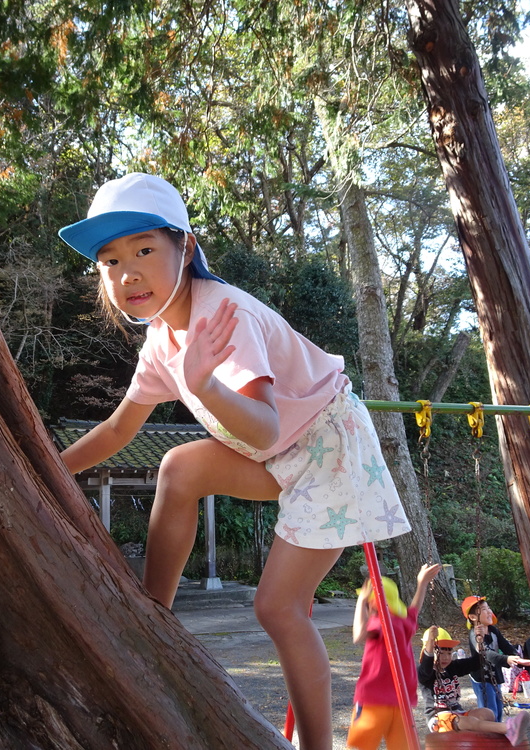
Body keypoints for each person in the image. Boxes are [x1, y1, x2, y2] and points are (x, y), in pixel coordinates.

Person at [57, 173, 412, 750]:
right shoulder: (161, 342)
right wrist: (49, 469)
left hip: (329, 449)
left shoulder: (223, 314)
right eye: (110, 260)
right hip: (276, 454)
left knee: (279, 608)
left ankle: (316, 747)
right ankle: (157, 617)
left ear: (186, 247)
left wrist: (207, 386)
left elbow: (267, 423)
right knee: (179, 467)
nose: (128, 272)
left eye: (145, 249)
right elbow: (120, 427)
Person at [347, 563, 440, 750]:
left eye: (367, 602)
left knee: (363, 746)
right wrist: (421, 583)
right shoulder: (402, 623)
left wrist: (360, 602)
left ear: (374, 603)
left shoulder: (379, 623)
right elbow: (415, 608)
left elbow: (358, 635)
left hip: (373, 698)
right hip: (401, 700)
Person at [418, 625, 530, 746]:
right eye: (440, 653)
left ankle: (488, 743)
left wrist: (480, 641)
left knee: (487, 713)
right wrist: (430, 641)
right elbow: (426, 665)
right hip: (438, 719)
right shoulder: (425, 673)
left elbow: (477, 662)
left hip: (457, 713)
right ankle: (508, 728)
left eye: (449, 653)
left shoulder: (452, 667)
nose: (445, 657)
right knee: (470, 721)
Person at [461, 594, 530, 721]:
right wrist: (506, 660)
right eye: (484, 610)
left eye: (489, 608)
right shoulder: (474, 634)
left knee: (499, 708)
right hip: (482, 678)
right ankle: (489, 735)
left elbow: (506, 646)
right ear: (472, 617)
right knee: (489, 711)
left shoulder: (493, 630)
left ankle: (498, 731)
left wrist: (517, 658)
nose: (489, 612)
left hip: (495, 675)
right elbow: (486, 653)